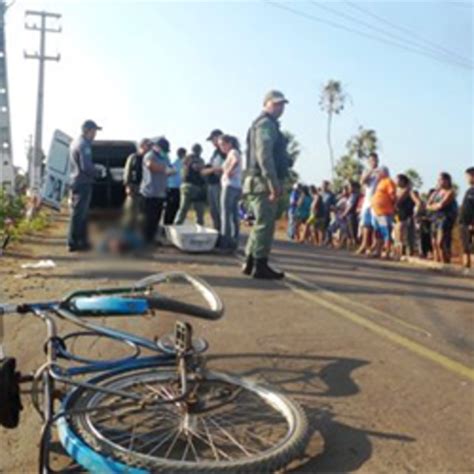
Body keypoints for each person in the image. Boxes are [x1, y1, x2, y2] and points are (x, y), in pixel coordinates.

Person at [242, 90, 291, 279]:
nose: (281, 108)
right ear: (267, 103)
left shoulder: (262, 124)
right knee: (265, 224)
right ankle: (260, 265)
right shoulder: (266, 124)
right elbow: (264, 155)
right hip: (262, 182)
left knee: (259, 224)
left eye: (282, 105)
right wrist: (272, 182)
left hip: (256, 181)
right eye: (277, 104)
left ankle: (250, 261)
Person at [67, 119, 102, 252]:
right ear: (88, 131)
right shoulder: (84, 145)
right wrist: (98, 172)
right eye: (94, 131)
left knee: (81, 213)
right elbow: (86, 167)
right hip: (83, 182)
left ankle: (81, 241)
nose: (95, 135)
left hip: (76, 180)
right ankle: (74, 242)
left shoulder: (75, 143)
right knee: (79, 213)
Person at [139, 137, 171, 244]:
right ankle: (144, 242)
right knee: (147, 220)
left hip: (160, 193)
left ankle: (151, 239)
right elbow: (150, 166)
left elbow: (171, 169)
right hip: (149, 194)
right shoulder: (150, 155)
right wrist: (165, 169)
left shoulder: (165, 157)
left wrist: (170, 170)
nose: (164, 152)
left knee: (156, 219)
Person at [217, 134, 243, 251]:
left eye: (222, 144)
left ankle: (225, 242)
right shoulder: (235, 152)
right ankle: (233, 241)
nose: (221, 147)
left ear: (229, 143)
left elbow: (235, 161)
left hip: (229, 186)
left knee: (226, 214)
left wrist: (228, 171)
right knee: (233, 215)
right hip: (236, 186)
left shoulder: (233, 152)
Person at [427, 172, 457, 263]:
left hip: (445, 217)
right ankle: (437, 261)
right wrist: (434, 206)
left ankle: (446, 261)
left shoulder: (450, 192)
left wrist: (434, 206)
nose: (439, 182)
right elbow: (428, 205)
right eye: (439, 180)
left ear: (447, 181)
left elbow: (442, 205)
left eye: (441, 180)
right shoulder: (436, 192)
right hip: (435, 218)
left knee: (441, 241)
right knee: (433, 242)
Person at [122, 138, 152, 230]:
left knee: (144, 214)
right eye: (148, 145)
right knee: (130, 213)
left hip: (146, 189)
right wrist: (127, 185)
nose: (150, 148)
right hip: (134, 188)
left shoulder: (149, 159)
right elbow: (127, 172)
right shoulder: (133, 157)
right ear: (142, 146)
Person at [174, 144, 207, 225]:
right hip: (192, 186)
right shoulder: (193, 159)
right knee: (195, 211)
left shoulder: (187, 158)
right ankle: (198, 228)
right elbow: (197, 168)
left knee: (184, 210)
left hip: (190, 186)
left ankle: (177, 225)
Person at [370, 166, 396, 258]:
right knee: (378, 232)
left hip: (384, 212)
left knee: (385, 232)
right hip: (378, 212)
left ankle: (387, 252)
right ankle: (378, 251)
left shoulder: (388, 181)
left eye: (378, 172)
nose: (377, 174)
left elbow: (392, 195)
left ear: (383, 173)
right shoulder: (380, 182)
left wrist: (393, 207)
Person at [393, 174, 421, 259]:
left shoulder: (409, 191)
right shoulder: (396, 190)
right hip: (396, 214)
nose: (395, 181)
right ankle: (396, 253)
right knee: (396, 234)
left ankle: (401, 253)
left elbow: (418, 202)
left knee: (401, 233)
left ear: (402, 181)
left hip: (405, 215)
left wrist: (416, 211)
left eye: (397, 180)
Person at [357, 153, 380, 255]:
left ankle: (374, 247)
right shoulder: (366, 171)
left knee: (376, 226)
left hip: (378, 201)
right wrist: (371, 171)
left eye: (375, 160)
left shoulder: (382, 171)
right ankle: (364, 245)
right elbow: (362, 181)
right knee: (366, 225)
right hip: (368, 201)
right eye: (371, 160)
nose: (373, 162)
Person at [202, 129, 225, 231]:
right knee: (213, 211)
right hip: (211, 184)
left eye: (213, 139)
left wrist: (210, 169)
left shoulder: (224, 151)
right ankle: (217, 232)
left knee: (220, 211)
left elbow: (222, 168)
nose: (212, 142)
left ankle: (223, 235)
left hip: (219, 184)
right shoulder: (216, 152)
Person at [164, 147, 186, 225]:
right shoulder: (179, 163)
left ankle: (168, 225)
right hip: (174, 188)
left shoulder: (175, 163)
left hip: (173, 187)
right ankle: (168, 225)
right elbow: (171, 172)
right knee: (172, 208)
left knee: (172, 208)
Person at [459, 167, 474, 268]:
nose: (467, 179)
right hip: (463, 223)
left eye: (468, 176)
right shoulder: (469, 190)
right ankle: (466, 268)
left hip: (471, 224)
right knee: (465, 247)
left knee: (473, 248)